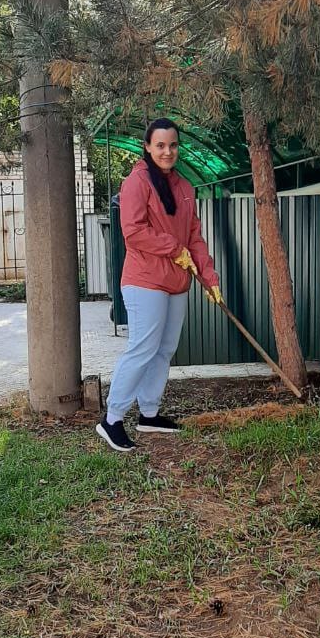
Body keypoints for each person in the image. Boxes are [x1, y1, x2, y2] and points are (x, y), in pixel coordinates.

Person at [96, 118, 223, 453]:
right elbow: (133, 231)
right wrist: (173, 249)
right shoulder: (137, 182)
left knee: (164, 350)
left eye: (173, 145)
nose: (168, 151)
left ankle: (149, 414)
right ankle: (112, 418)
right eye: (160, 145)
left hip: (176, 282)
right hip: (145, 280)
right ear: (148, 147)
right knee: (142, 348)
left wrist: (209, 279)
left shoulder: (184, 187)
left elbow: (194, 237)